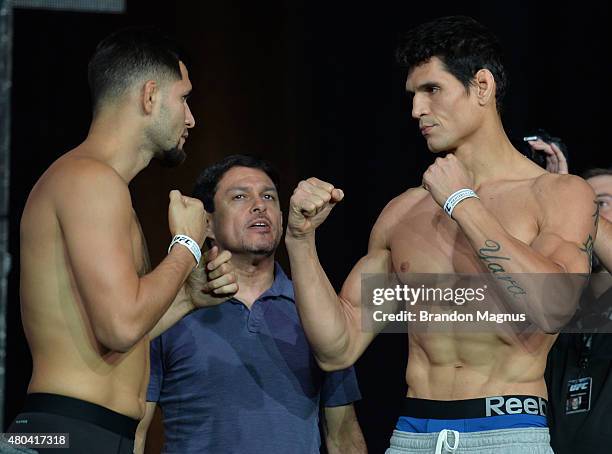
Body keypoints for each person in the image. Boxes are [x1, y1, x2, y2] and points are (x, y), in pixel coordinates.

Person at [284, 16, 596, 453]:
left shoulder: (557, 194)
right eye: (412, 96)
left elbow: (554, 306)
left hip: (506, 433)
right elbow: (338, 346)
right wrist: (300, 241)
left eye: (432, 90)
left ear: (482, 86)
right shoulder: (403, 212)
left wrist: (463, 203)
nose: (416, 110)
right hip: (413, 434)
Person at [7, 28, 237, 454]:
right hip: (67, 432)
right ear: (150, 97)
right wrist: (186, 246)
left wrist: (186, 297)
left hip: (79, 432)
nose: (191, 119)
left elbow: (114, 330)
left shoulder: (96, 183)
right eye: (184, 99)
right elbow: (120, 325)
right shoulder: (90, 180)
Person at [135, 155, 366, 454]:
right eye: (240, 196)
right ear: (206, 224)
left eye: (268, 196)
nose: (260, 205)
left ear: (282, 220)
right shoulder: (170, 312)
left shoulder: (317, 312)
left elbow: (343, 437)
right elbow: (136, 433)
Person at [533, 138, 612, 453]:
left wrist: (571, 199)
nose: (585, 214)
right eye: (585, 203)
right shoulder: (562, 302)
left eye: (601, 202)